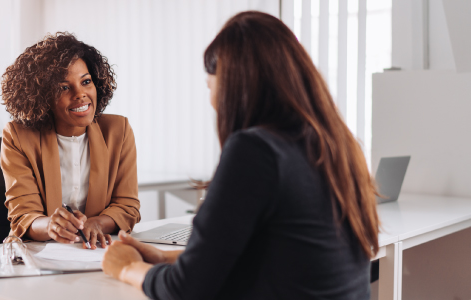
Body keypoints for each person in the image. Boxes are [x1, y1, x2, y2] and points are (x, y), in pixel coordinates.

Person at [102, 11, 379, 299]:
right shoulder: (341, 146)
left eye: (210, 86)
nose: (212, 103)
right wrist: (162, 258)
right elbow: (273, 257)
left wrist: (128, 268)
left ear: (234, 85)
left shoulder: (256, 151)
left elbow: (186, 290)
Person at [0, 32, 140, 249]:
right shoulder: (17, 136)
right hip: (38, 256)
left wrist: (97, 224)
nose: (80, 94)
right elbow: (24, 215)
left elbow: (127, 206)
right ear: (43, 96)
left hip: (96, 252)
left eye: (86, 82)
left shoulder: (118, 131)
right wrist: (50, 226)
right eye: (64, 87)